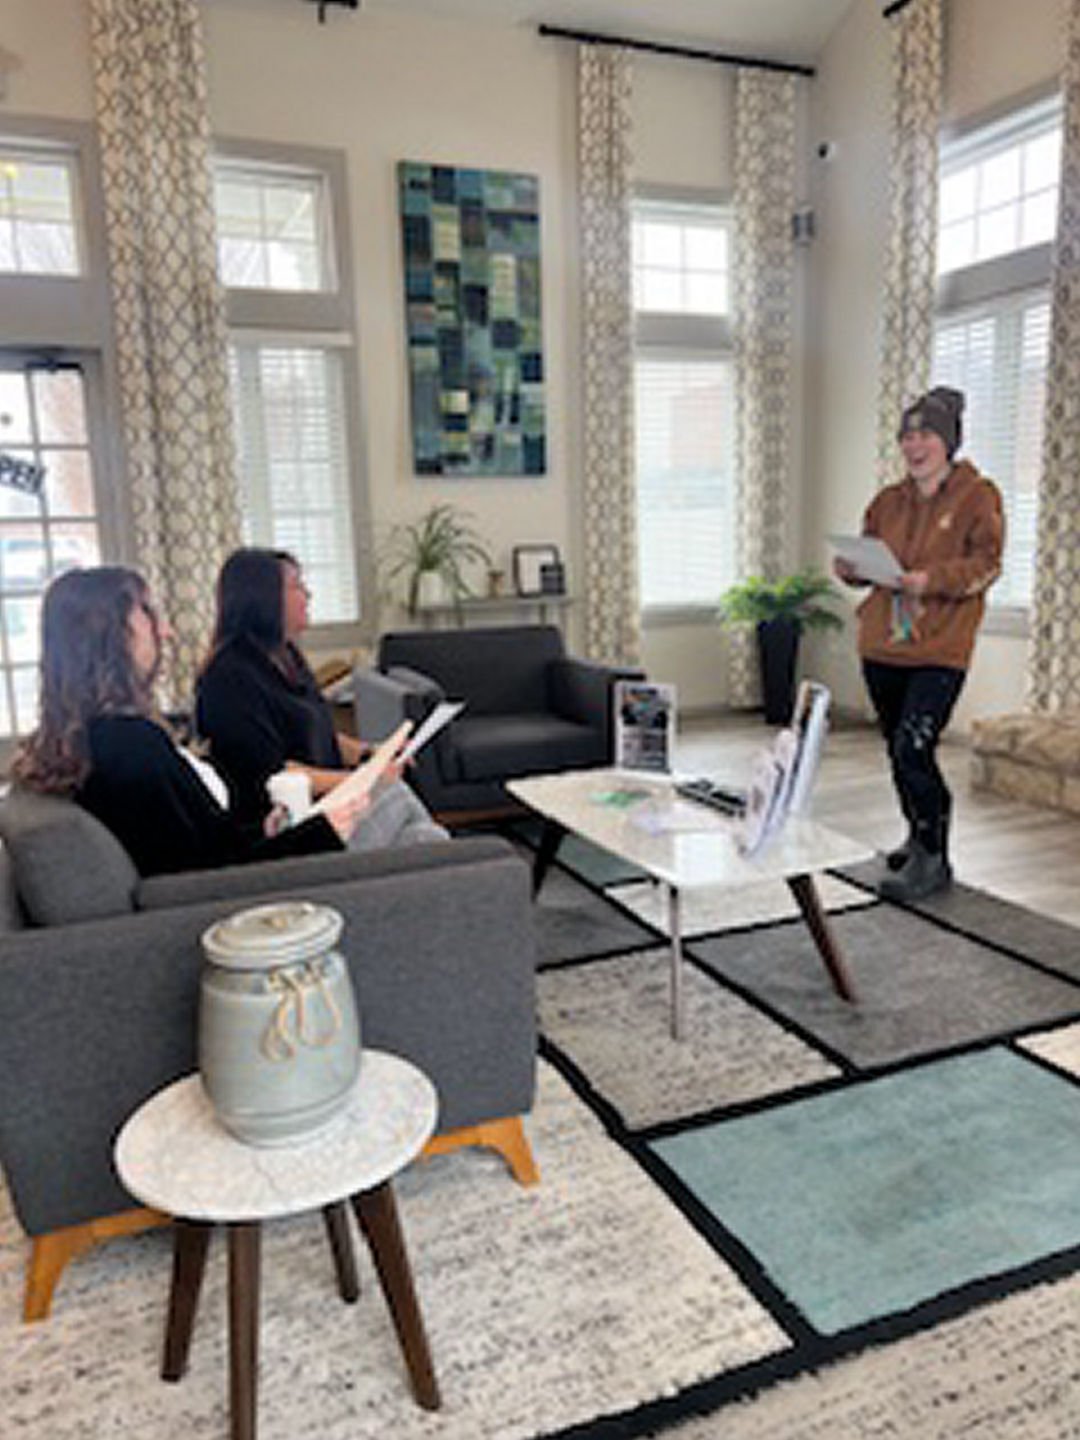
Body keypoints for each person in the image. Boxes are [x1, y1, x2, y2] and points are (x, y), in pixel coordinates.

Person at [10, 567, 371, 876]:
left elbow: (200, 846)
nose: (166, 632)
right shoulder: (127, 747)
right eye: (150, 615)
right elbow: (204, 876)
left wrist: (267, 829)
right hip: (245, 908)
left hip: (243, 871)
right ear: (112, 635)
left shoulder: (92, 740)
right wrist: (322, 834)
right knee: (404, 825)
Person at [833, 386, 1004, 901]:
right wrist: (851, 569)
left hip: (940, 649)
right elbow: (870, 557)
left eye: (926, 434)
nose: (914, 444)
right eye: (908, 435)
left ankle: (935, 857)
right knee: (897, 750)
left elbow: (986, 566)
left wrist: (931, 580)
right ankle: (915, 835)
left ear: (947, 441)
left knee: (915, 746)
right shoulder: (887, 502)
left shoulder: (979, 496)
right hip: (883, 646)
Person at [196, 547, 447, 849]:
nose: (308, 594)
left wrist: (371, 752)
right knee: (396, 795)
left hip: (329, 806)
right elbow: (272, 774)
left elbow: (319, 731)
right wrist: (365, 779)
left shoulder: (286, 655)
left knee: (424, 838)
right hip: (297, 831)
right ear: (264, 598)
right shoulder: (230, 677)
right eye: (296, 586)